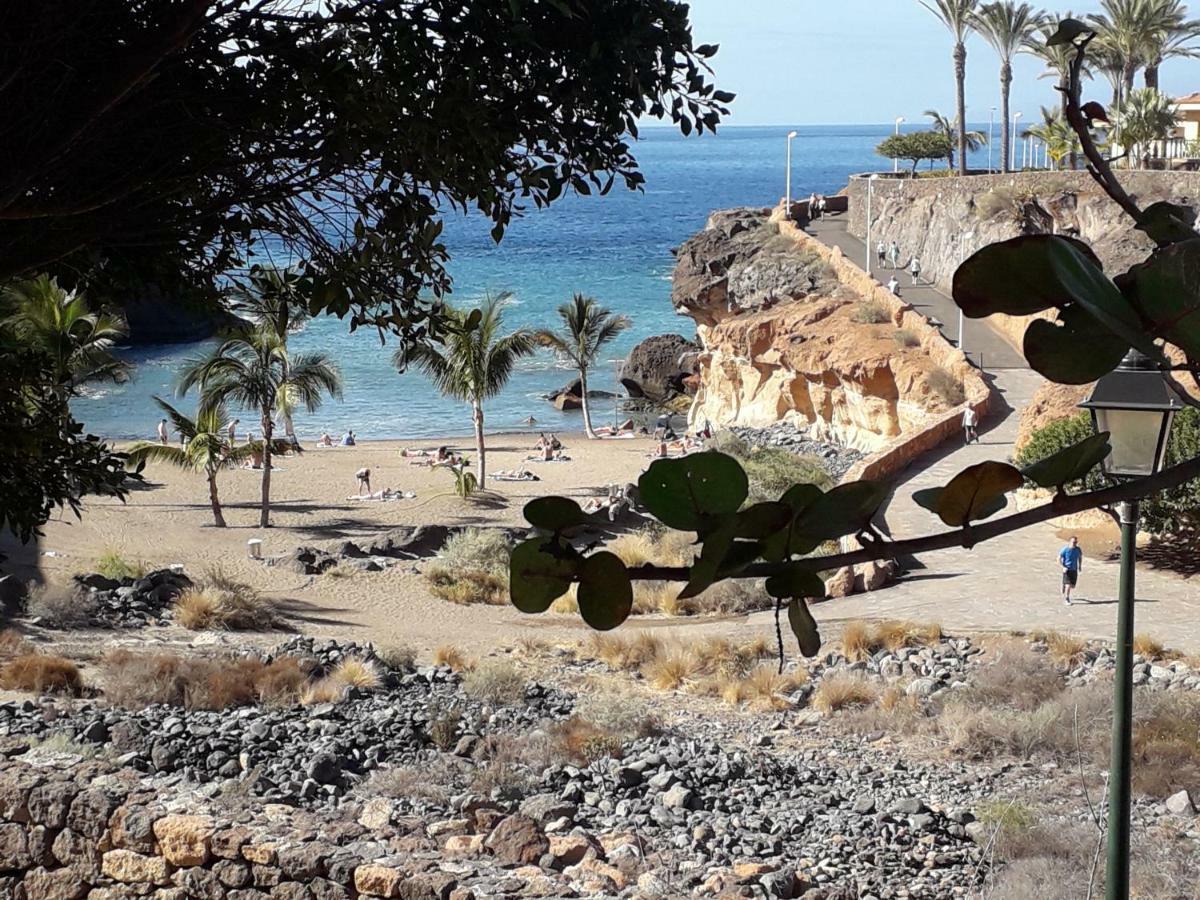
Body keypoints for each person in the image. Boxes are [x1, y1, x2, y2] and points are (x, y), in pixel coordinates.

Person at [1059, 536, 1083, 605]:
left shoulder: (1078, 549)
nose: (1075, 544)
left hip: (1074, 569)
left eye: (1076, 542)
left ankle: (1064, 583)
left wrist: (1080, 566)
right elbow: (1058, 558)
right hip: (1067, 569)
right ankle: (1067, 599)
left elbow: (1080, 557)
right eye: (1073, 542)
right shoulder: (1065, 550)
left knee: (1072, 586)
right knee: (1068, 585)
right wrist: (1063, 567)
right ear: (1070, 542)